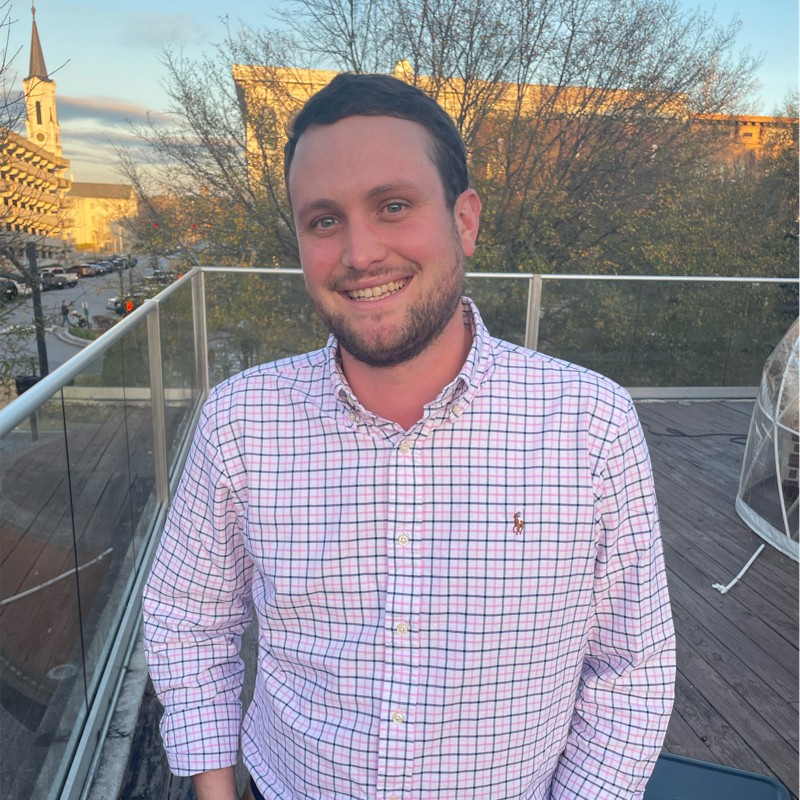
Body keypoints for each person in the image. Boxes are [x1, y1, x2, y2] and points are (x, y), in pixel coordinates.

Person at [143, 73, 675, 800]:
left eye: (393, 206)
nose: (359, 253)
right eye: (324, 221)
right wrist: (213, 790)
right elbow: (189, 620)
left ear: (464, 220)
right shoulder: (240, 421)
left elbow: (630, 668)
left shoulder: (591, 426)